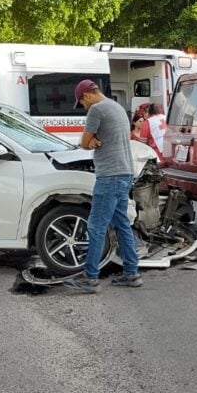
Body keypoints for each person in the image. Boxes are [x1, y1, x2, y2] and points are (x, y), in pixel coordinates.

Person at [63, 79, 142, 292]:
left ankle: (89, 277)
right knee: (122, 223)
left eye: (81, 103)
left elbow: (84, 142)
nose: (83, 107)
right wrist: (95, 140)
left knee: (96, 226)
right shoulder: (117, 107)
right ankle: (131, 273)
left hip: (109, 176)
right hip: (125, 173)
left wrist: (92, 141)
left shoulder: (96, 110)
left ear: (86, 95)